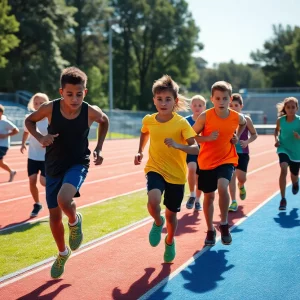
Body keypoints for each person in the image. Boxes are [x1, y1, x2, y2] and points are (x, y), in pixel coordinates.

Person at [25, 66, 109, 279]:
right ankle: (62, 253)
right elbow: (29, 121)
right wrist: (40, 137)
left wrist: (98, 147)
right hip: (53, 165)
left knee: (64, 199)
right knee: (54, 216)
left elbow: (104, 121)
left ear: (85, 92)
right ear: (61, 92)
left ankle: (74, 220)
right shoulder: (49, 108)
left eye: (79, 94)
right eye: (69, 94)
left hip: (78, 163)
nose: (74, 99)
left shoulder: (90, 111)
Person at [134, 75, 198, 263]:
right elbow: (144, 132)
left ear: (175, 101)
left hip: (177, 176)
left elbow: (195, 148)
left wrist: (179, 146)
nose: (163, 103)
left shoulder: (181, 123)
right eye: (159, 99)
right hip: (155, 168)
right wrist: (139, 151)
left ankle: (169, 241)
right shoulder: (149, 119)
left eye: (168, 99)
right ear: (154, 100)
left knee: (171, 216)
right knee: (153, 202)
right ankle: (157, 221)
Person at [193, 81, 246, 246]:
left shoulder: (236, 116)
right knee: (209, 196)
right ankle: (210, 230)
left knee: (223, 187)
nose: (221, 101)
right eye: (218, 98)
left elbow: (243, 123)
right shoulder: (205, 116)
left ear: (230, 99)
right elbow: (191, 135)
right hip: (207, 161)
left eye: (225, 98)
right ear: (212, 99)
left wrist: (237, 136)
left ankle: (223, 224)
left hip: (227, 158)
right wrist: (207, 138)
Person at [21, 93, 49, 217]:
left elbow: (57, 135)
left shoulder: (50, 119)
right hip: (33, 155)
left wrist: (49, 143)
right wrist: (23, 144)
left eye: (41, 103)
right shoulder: (29, 118)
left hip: (47, 157)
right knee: (32, 180)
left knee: (44, 182)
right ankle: (37, 204)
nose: (38, 105)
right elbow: (26, 132)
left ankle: (56, 197)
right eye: (36, 103)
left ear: (47, 104)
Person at [228, 94, 258, 212]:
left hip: (243, 152)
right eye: (231, 105)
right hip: (229, 153)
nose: (233, 107)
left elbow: (254, 134)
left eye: (236, 105)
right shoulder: (225, 119)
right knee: (231, 176)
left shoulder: (247, 119)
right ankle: (233, 201)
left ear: (241, 106)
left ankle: (241, 185)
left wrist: (247, 141)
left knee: (241, 177)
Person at [274, 97, 300, 210]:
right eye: (288, 107)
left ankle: (295, 183)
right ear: (285, 108)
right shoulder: (281, 120)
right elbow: (276, 130)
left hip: (296, 152)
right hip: (283, 148)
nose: (290, 109)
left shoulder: (299, 121)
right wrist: (276, 140)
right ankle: (283, 199)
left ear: (297, 108)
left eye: (293, 107)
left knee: (294, 176)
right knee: (283, 168)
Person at [185, 95, 206, 211]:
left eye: (200, 105)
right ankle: (192, 195)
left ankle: (198, 199)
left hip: (203, 152)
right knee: (192, 168)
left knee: (200, 177)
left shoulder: (207, 120)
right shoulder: (186, 121)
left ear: (204, 107)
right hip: (192, 150)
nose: (197, 108)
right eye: (195, 105)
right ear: (191, 106)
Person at [0, 104, 19, 182]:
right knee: (0, 163)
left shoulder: (5, 122)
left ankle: (11, 171)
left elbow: (16, 130)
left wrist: (6, 135)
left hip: (3, 145)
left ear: (0, 113)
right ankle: (11, 171)